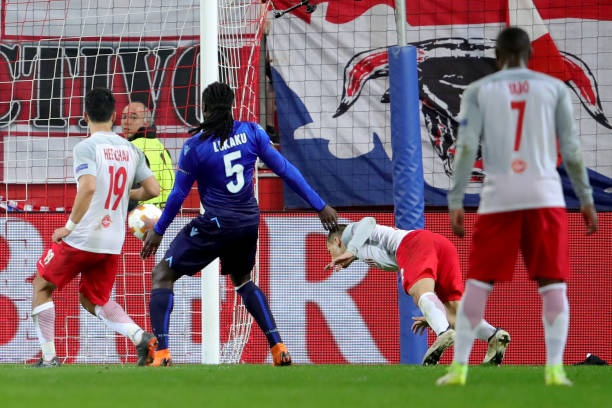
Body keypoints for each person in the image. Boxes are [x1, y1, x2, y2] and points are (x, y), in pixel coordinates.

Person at [437, 27, 598, 386]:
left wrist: (455, 198)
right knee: (552, 283)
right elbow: (572, 150)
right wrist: (586, 198)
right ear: (530, 55)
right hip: (545, 196)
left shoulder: (479, 91)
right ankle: (554, 370)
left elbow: (466, 147)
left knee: (479, 283)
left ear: (497, 56)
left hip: (499, 198)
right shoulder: (554, 89)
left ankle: (459, 369)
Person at [140, 81, 338, 367]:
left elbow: (179, 195)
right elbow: (285, 170)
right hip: (247, 223)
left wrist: (158, 231)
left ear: (204, 108)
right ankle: (278, 347)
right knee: (243, 281)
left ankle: (161, 353)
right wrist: (320, 205)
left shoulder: (195, 147)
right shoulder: (252, 132)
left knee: (162, 274)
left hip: (216, 224)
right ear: (232, 106)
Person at [31, 87, 161, 367]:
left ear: (85, 116)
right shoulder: (131, 149)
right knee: (93, 299)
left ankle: (49, 357)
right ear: (114, 116)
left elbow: (88, 187)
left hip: (82, 238)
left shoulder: (86, 147)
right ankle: (140, 337)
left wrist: (68, 226)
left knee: (42, 284)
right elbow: (153, 189)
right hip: (112, 241)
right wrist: (127, 194)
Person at [325, 216, 510, 366]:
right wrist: (433, 314)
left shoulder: (349, 235)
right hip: (441, 245)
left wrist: (351, 250)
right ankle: (494, 336)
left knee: (417, 291)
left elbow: (368, 221)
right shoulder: (363, 251)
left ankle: (443, 332)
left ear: (336, 241)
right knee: (453, 311)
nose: (331, 256)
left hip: (414, 243)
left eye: (330, 250)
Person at [121, 100, 175, 208]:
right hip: (165, 214)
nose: (126, 122)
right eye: (124, 117)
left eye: (133, 117)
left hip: (139, 214)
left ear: (146, 123)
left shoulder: (130, 148)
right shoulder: (162, 148)